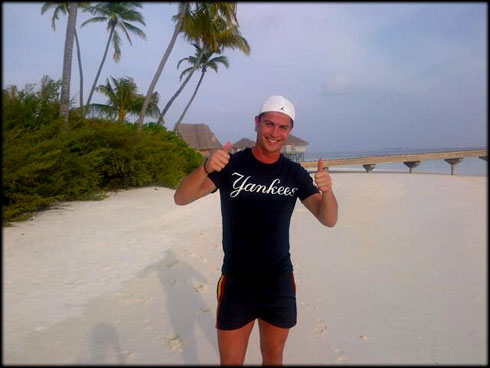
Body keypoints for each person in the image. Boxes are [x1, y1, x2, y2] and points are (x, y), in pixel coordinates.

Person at [174, 95, 338, 365]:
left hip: (278, 282)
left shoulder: (295, 174)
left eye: (282, 127)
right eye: (269, 124)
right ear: (257, 123)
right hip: (237, 282)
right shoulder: (231, 166)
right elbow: (181, 197)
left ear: (289, 131)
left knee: (273, 358)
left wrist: (328, 192)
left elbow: (328, 218)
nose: (274, 133)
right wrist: (205, 167)